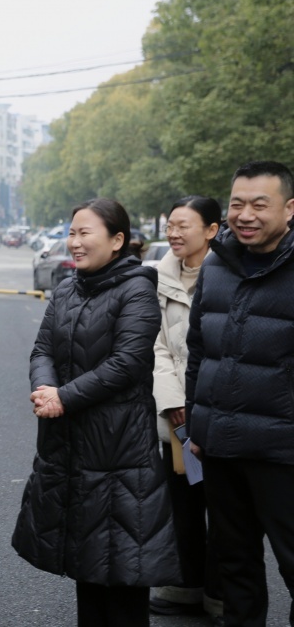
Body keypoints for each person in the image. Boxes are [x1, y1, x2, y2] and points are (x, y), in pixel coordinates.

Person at [12, 198, 179, 626]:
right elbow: (42, 349)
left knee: (124, 567)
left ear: (117, 240)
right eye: (72, 232)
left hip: (120, 450)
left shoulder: (138, 289)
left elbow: (127, 363)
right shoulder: (67, 288)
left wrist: (63, 398)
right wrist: (45, 389)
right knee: (85, 561)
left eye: (85, 233)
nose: (74, 242)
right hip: (71, 447)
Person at [185, 161, 294, 627]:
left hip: (282, 452)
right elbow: (198, 351)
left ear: (289, 209)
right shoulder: (216, 264)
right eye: (237, 204)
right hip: (221, 447)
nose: (245, 215)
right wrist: (196, 425)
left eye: (259, 205)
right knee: (235, 566)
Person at [149, 195, 222, 619]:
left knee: (227, 509)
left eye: (183, 226)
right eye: (170, 225)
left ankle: (221, 593)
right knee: (182, 503)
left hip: (219, 410)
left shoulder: (229, 273)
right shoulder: (157, 276)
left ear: (211, 230)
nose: (173, 233)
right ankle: (185, 584)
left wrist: (200, 402)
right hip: (176, 414)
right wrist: (173, 401)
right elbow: (156, 345)